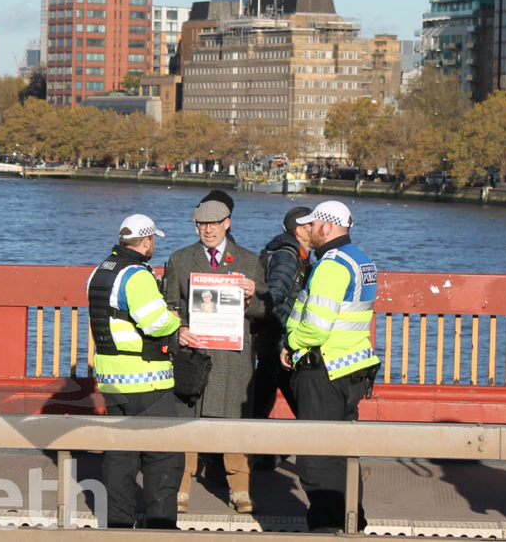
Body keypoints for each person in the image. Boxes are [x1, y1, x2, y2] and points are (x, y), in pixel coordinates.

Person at [280, 200, 380, 532]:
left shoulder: (331, 266)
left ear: (327, 225)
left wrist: (291, 342)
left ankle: (325, 530)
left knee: (316, 459)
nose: (307, 231)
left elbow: (317, 327)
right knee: (343, 455)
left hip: (324, 371)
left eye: (311, 226)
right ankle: (353, 523)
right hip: (352, 369)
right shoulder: (361, 260)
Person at [163, 194, 266, 515]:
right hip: (193, 355)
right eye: (202, 224)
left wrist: (254, 297)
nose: (208, 230)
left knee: (234, 424)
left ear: (227, 224)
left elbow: (266, 313)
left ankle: (240, 490)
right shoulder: (180, 259)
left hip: (233, 358)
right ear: (195, 226)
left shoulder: (250, 261)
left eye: (214, 224)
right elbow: (169, 307)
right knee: (185, 423)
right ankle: (180, 489)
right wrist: (176, 330)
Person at [86, 213, 183, 529]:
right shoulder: (137, 275)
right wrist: (175, 321)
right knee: (164, 456)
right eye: (153, 240)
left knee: (119, 456)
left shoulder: (100, 270)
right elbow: (153, 322)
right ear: (147, 241)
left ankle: (118, 525)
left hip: (112, 379)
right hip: (146, 379)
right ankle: (160, 527)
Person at [254, 205, 313, 424]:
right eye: (311, 225)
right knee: (307, 410)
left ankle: (262, 456)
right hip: (280, 344)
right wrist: (287, 335)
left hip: (276, 343)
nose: (316, 228)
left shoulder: (299, 256)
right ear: (300, 230)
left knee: (259, 402)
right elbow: (272, 298)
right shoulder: (288, 257)